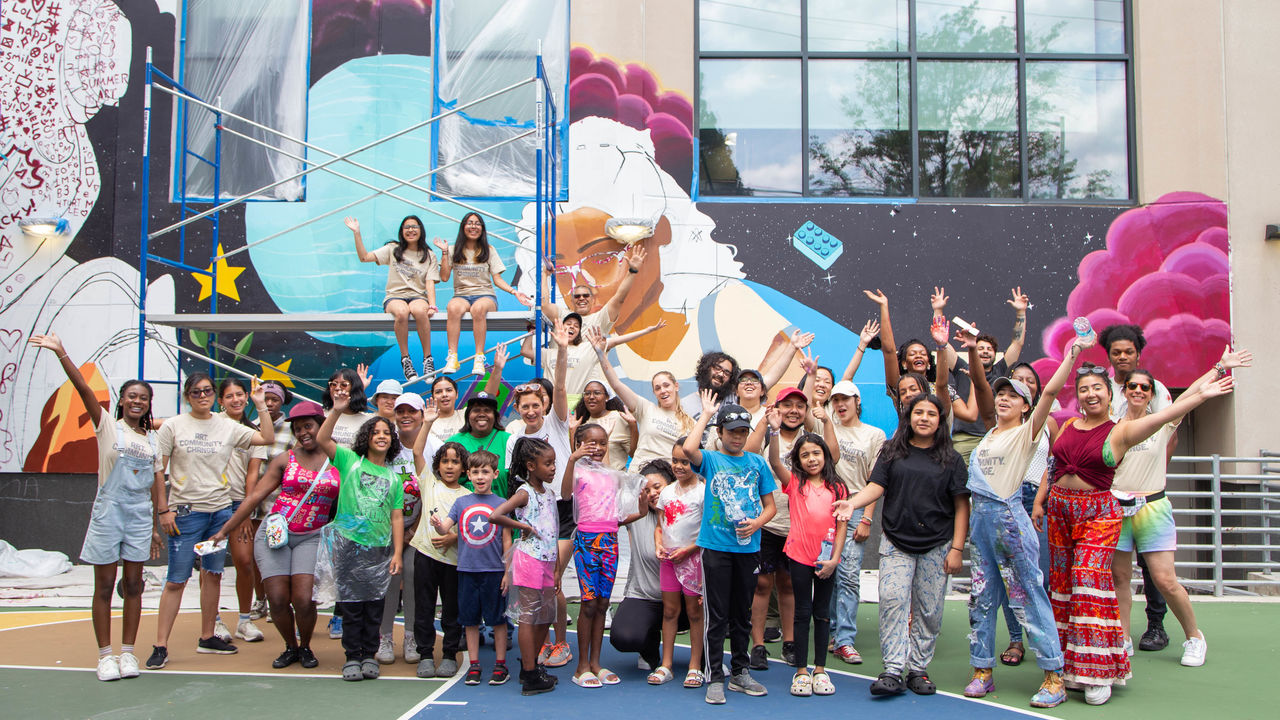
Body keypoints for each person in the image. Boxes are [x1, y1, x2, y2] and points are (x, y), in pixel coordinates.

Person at [1030, 337, 1235, 705]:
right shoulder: (1071, 424)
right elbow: (1052, 449)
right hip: (1067, 511)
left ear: (1111, 395)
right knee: (1072, 585)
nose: (1091, 394)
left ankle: (1104, 667)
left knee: (1097, 580)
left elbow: (1170, 413)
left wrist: (1209, 383)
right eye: (1084, 389)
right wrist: (1041, 501)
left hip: (1121, 509)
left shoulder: (1123, 429)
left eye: (1097, 388)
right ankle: (1072, 662)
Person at [28, 333, 164, 682]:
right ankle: (105, 656)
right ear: (122, 401)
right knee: (104, 586)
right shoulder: (107, 426)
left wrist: (153, 525)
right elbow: (84, 389)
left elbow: (154, 484)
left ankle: (128, 653)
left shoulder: (152, 440)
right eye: (132, 396)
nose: (137, 401)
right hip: (109, 510)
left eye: (143, 398)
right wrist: (62, 352)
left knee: (134, 585)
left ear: (149, 404)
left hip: (139, 514)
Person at [1111, 347, 1250, 667]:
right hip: (1116, 509)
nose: (1138, 391)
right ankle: (1122, 638)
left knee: (1165, 579)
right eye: (1132, 386)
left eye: (1145, 387)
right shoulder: (1112, 425)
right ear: (1124, 390)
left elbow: (1190, 394)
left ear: (1152, 394)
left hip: (1152, 507)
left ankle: (1195, 637)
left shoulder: (1162, 422)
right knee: (1119, 578)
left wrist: (1219, 367)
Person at [833, 393, 969, 698]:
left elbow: (962, 505)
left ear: (940, 421)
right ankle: (893, 670)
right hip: (896, 541)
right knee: (892, 600)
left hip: (937, 544)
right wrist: (851, 504)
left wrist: (957, 549)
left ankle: (918, 669)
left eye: (931, 414)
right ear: (908, 417)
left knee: (929, 610)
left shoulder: (952, 459)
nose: (924, 418)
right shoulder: (892, 451)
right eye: (918, 412)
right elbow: (875, 486)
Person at [958, 330, 1067, 708]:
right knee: (981, 598)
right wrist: (972, 353)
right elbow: (979, 385)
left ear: (1026, 406)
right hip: (981, 524)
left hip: (1011, 523)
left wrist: (1073, 354)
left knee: (1029, 597)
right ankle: (982, 671)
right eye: (1001, 393)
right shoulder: (988, 435)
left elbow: (1051, 393)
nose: (1004, 398)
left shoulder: (1026, 434)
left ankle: (1054, 675)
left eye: (1013, 395)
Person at [147, 373, 275, 670]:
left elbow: (266, 438)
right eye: (196, 392)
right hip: (185, 513)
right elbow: (158, 470)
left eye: (206, 391)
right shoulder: (174, 426)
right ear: (187, 396)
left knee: (213, 574)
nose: (202, 396)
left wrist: (260, 404)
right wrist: (163, 510)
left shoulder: (228, 426)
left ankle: (207, 637)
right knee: (176, 579)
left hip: (219, 513)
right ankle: (160, 645)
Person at [209, 401, 340, 670]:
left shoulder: (339, 458)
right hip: (276, 534)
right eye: (298, 429)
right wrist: (224, 530)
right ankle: (290, 647)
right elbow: (255, 495)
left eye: (308, 426)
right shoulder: (284, 459)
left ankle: (305, 646)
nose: (303, 432)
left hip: (312, 536)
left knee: (303, 599)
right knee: (278, 599)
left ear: (322, 426)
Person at [683, 392, 778, 705]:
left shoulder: (758, 463)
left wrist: (756, 523)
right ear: (720, 432)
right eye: (731, 431)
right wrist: (706, 415)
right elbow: (688, 449)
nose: (737, 437)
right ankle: (715, 676)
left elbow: (770, 507)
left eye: (742, 432)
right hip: (716, 548)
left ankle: (740, 671)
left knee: (742, 614)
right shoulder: (711, 460)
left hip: (748, 549)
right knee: (717, 615)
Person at [315, 394, 405, 682]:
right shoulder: (349, 460)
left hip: (379, 549)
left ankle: (369, 655)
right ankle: (352, 656)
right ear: (366, 437)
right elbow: (322, 438)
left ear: (392, 440)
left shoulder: (394, 479)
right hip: (349, 545)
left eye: (386, 433)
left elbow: (396, 518)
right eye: (375, 432)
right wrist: (337, 410)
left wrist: (397, 553)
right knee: (352, 606)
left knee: (374, 606)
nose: (381, 436)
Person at [743, 385, 832, 670]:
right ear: (777, 408)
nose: (793, 411)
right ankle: (758, 645)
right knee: (762, 585)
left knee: (789, 585)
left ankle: (790, 642)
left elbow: (833, 458)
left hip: (798, 530)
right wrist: (767, 424)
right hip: (767, 524)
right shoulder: (768, 436)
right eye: (787, 405)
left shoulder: (810, 442)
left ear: (806, 412)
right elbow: (747, 453)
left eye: (799, 406)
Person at [1099, 323, 1174, 651]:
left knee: (1152, 565)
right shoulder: (1103, 387)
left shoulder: (1153, 388)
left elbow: (1169, 434)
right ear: (1109, 356)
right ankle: (1120, 631)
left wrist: (1155, 475)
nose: (1122, 357)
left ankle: (1156, 625)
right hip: (1113, 494)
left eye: (1128, 351)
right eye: (1116, 352)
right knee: (1117, 569)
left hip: (1148, 496)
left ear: (1138, 354)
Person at [762, 415, 847, 698]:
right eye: (805, 455)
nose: (812, 459)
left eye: (816, 453)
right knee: (802, 612)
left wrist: (834, 560)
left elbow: (842, 526)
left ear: (825, 456)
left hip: (827, 561)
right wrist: (775, 431)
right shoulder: (795, 484)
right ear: (798, 460)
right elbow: (775, 462)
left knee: (822, 614)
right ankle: (801, 671)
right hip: (798, 557)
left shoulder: (838, 488)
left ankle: (820, 670)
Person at [506, 321, 575, 668]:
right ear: (518, 409)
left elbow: (560, 385)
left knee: (553, 581)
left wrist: (561, 348)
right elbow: (514, 482)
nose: (531, 411)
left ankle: (560, 643)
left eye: (536, 405)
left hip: (562, 511)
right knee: (536, 588)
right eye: (525, 406)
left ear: (545, 405)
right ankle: (540, 645)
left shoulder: (557, 424)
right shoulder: (514, 438)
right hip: (533, 516)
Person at [561, 423, 648, 687]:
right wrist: (572, 459)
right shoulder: (577, 471)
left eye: (602, 443)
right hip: (586, 542)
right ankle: (581, 667)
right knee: (588, 603)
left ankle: (596, 663)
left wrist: (641, 512)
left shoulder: (612, 475)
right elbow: (565, 494)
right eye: (591, 443)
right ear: (579, 444)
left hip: (610, 542)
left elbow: (616, 518)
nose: (598, 448)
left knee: (602, 603)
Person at [431, 449, 512, 686]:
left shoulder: (502, 504)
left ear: (495, 474)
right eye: (475, 472)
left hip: (494, 572)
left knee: (498, 621)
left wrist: (507, 572)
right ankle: (474, 665)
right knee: (470, 621)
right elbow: (445, 528)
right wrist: (437, 525)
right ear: (468, 474)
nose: (480, 477)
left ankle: (500, 664)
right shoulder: (461, 502)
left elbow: (507, 540)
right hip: (467, 572)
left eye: (485, 472)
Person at [489, 437, 560, 696]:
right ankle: (530, 674)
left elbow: (553, 531)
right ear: (531, 466)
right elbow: (495, 515)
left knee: (546, 615)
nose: (553, 468)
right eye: (547, 463)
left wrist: (556, 568)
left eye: (554, 463)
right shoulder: (524, 493)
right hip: (530, 559)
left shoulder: (549, 494)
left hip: (547, 561)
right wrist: (522, 526)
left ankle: (531, 664)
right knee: (529, 616)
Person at [996, 361, 1056, 666]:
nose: (1023, 383)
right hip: (1008, 498)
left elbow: (1052, 464)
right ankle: (1015, 640)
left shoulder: (1049, 423)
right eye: (1016, 379)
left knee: (1040, 575)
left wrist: (1040, 501)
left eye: (1029, 380)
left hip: (1037, 500)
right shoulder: (1000, 426)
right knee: (1011, 577)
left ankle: (1044, 639)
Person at [824, 380, 886, 666]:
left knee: (848, 575)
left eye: (845, 399)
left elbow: (875, 480)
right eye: (836, 400)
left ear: (856, 402)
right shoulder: (827, 427)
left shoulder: (875, 435)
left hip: (856, 509)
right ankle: (833, 632)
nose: (840, 404)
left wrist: (868, 518)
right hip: (826, 508)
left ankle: (845, 639)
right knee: (829, 573)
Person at [346, 215, 444, 379]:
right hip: (395, 297)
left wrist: (432, 305)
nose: (411, 230)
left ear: (421, 230)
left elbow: (430, 283)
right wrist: (357, 233)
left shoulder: (429, 255)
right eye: (407, 227)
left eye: (414, 226)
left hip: (418, 297)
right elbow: (364, 257)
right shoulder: (393, 249)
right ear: (401, 231)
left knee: (420, 311)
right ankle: (406, 359)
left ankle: (427, 358)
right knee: (402, 312)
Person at [586, 326, 695, 469]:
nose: (663, 390)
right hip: (639, 474)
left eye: (666, 385)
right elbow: (616, 384)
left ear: (676, 386)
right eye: (657, 388)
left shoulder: (691, 423)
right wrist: (601, 354)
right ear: (654, 393)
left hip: (667, 477)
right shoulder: (646, 408)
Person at [438, 212, 533, 376]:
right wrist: (445, 253)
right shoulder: (453, 250)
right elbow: (444, 277)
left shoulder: (488, 250)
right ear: (463, 227)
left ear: (482, 228)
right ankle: (452, 356)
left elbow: (497, 279)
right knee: (452, 308)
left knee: (478, 309)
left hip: (485, 296)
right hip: (461, 296)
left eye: (477, 223)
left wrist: (514, 292)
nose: (473, 226)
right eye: (470, 223)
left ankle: (479, 357)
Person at [376, 392, 430, 665]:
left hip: (418, 530)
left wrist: (411, 533)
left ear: (421, 415)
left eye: (412, 411)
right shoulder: (386, 445)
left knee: (411, 576)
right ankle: (384, 637)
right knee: (389, 578)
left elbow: (431, 494)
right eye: (401, 411)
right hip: (386, 529)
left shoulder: (432, 446)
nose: (406, 416)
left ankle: (411, 636)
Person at [411, 441, 471, 679]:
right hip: (425, 556)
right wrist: (427, 424)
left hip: (454, 562)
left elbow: (472, 531)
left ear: (464, 468)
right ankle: (425, 654)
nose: (449, 466)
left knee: (451, 610)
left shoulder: (468, 496)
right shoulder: (429, 483)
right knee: (424, 607)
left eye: (455, 462)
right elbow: (417, 451)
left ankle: (449, 654)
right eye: (445, 461)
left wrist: (453, 537)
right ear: (437, 465)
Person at [216, 377, 268, 645]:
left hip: (239, 504)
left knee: (245, 561)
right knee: (212, 566)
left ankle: (244, 620)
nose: (235, 400)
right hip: (211, 502)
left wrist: (247, 510)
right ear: (220, 401)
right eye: (229, 396)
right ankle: (213, 620)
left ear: (247, 397)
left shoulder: (254, 432)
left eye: (239, 394)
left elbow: (252, 474)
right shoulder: (212, 424)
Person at [521, 311, 666, 401]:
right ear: (561, 327)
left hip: (575, 403)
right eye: (568, 323)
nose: (572, 327)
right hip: (551, 402)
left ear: (579, 332)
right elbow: (525, 351)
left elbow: (616, 341)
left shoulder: (587, 348)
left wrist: (647, 331)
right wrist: (532, 331)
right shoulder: (549, 352)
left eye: (576, 326)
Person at [446, 393, 513, 497]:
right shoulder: (453, 442)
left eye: (487, 410)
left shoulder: (509, 440)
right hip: (462, 506)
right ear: (468, 415)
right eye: (476, 410)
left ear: (495, 416)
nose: (481, 414)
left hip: (501, 506)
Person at [573, 380, 636, 471]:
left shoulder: (618, 418)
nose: (591, 397)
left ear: (607, 397)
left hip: (617, 477)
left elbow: (633, 453)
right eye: (587, 393)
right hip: (589, 478)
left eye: (597, 393)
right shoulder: (582, 423)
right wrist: (572, 431)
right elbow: (577, 459)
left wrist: (633, 426)